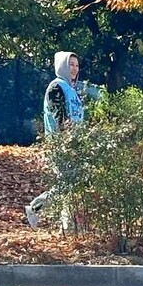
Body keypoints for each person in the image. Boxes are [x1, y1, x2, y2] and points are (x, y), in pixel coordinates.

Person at [24, 51, 84, 230]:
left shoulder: (72, 90)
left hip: (75, 144)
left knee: (71, 186)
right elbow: (61, 118)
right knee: (66, 184)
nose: (74, 68)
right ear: (62, 66)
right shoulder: (56, 87)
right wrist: (68, 142)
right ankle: (35, 208)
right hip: (61, 145)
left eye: (76, 65)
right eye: (70, 64)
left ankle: (68, 226)